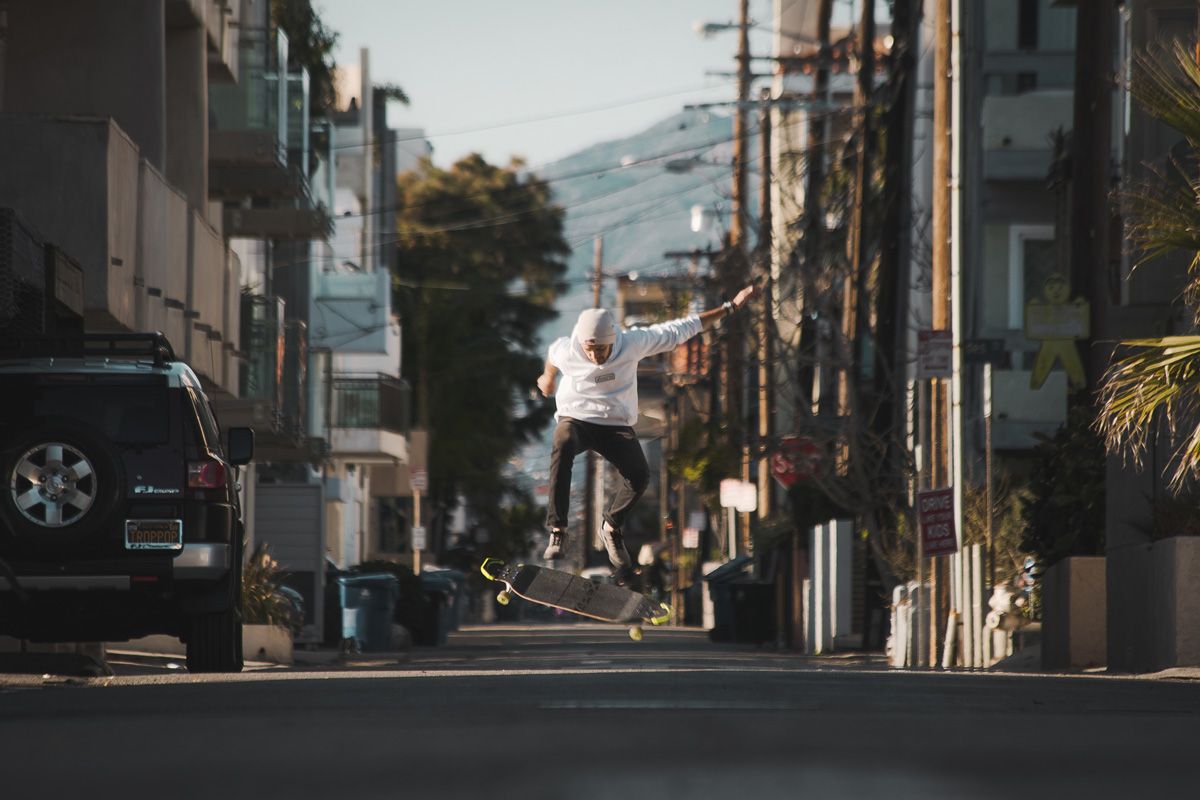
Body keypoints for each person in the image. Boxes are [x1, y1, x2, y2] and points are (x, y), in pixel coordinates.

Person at [536, 283, 759, 580]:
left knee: (639, 476)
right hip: (575, 418)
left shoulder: (633, 342)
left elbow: (682, 328)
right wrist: (547, 380)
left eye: (602, 350)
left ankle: (612, 527)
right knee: (562, 444)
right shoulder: (568, 349)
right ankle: (557, 530)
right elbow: (551, 359)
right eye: (591, 351)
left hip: (614, 424)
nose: (596, 357)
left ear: (613, 340)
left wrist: (729, 307)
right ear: (581, 343)